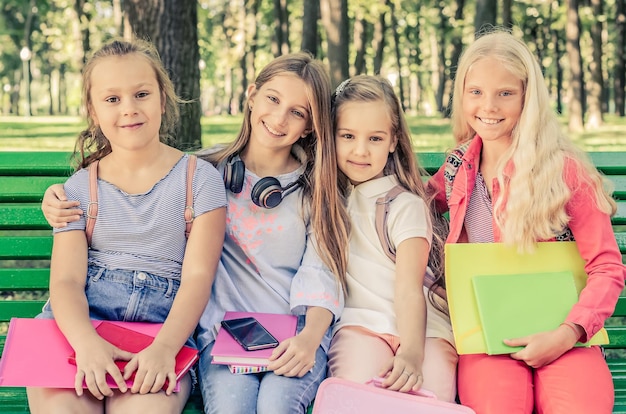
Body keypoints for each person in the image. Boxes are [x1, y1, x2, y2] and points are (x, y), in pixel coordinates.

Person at [41, 52, 350, 414]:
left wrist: (311, 334)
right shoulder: (211, 170)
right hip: (218, 331)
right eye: (273, 99)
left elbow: (319, 269)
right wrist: (55, 198)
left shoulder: (306, 189)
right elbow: (67, 275)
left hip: (274, 331)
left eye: (298, 112)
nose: (280, 118)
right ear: (252, 96)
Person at [427, 29, 626, 413]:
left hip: (564, 332)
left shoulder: (564, 171)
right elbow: (412, 204)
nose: (489, 105)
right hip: (486, 331)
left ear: (527, 96)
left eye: (505, 93)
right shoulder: (457, 168)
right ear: (462, 96)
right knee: (497, 405)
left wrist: (567, 333)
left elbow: (606, 266)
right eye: (476, 92)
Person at [28, 38, 227, 414]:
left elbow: (198, 277)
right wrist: (86, 344)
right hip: (78, 327)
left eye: (141, 94)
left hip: (160, 331)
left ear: (163, 98)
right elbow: (67, 282)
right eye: (112, 99)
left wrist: (166, 348)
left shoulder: (198, 180)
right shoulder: (77, 190)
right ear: (93, 110)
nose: (129, 110)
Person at [326, 75, 457, 402]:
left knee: (431, 394)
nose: (360, 150)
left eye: (375, 138)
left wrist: (412, 353)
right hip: (361, 326)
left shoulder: (404, 205)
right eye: (347, 136)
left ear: (394, 140)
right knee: (357, 395)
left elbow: (409, 288)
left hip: (424, 332)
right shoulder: (327, 199)